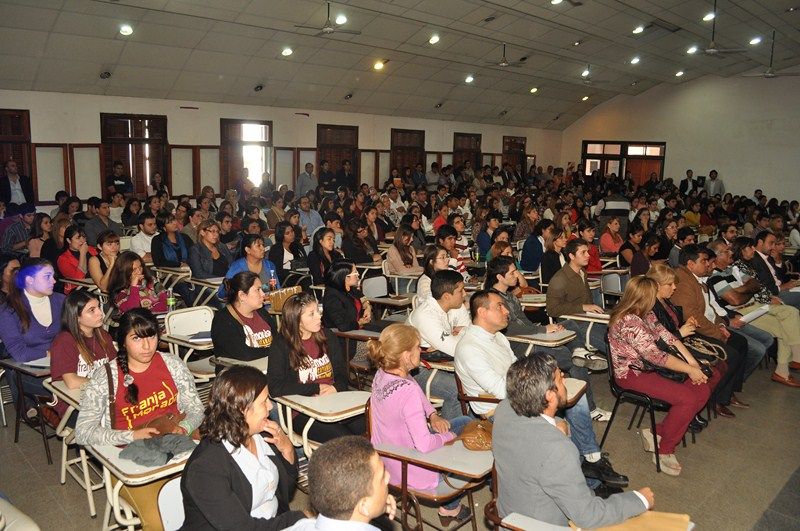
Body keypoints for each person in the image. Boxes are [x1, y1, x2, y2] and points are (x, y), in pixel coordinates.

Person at [73, 308, 202, 530]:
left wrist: (184, 426)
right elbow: (83, 432)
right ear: (122, 342)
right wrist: (131, 435)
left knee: (215, 500)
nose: (147, 346)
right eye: (136, 338)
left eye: (151, 336)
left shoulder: (171, 364)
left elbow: (195, 407)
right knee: (161, 520)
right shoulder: (106, 377)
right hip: (131, 463)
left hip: (179, 452)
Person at [493, 354, 653, 528]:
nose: (564, 379)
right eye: (560, 379)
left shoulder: (504, 409)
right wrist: (639, 499)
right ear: (549, 396)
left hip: (508, 516)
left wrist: (557, 422)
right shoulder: (558, 449)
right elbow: (588, 517)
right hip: (542, 525)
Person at [608, 276, 720, 475]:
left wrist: (693, 363)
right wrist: (690, 370)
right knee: (687, 399)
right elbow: (656, 356)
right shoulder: (629, 321)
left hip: (650, 369)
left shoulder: (645, 312)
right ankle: (665, 449)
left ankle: (657, 432)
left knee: (701, 388)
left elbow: (668, 337)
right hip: (632, 374)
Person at [367, 324, 473, 525]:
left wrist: (433, 415)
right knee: (468, 440)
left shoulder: (383, 374)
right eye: (418, 347)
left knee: (466, 422)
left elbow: (414, 387)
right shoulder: (406, 391)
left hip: (386, 461)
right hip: (413, 468)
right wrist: (450, 437)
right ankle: (450, 508)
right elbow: (424, 445)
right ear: (406, 356)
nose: (421, 350)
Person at [180, 365, 305, 530]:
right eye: (264, 402)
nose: (270, 406)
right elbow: (241, 528)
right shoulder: (206, 467)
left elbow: (283, 493)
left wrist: (287, 450)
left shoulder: (262, 435)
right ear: (241, 409)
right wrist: (299, 519)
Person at [645, 263, 742, 428]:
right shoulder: (651, 307)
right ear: (657, 285)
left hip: (678, 344)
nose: (674, 288)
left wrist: (686, 324)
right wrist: (680, 333)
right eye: (670, 284)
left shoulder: (665, 301)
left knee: (721, 363)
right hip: (668, 350)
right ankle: (691, 407)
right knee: (712, 368)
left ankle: (697, 405)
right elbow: (658, 342)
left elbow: (671, 328)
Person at [670, 244, 756, 417]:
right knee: (731, 355)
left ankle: (728, 393)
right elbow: (692, 317)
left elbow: (710, 309)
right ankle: (715, 398)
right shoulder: (683, 281)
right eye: (704, 261)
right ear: (690, 264)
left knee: (741, 343)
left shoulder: (696, 278)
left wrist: (721, 325)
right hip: (693, 331)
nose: (708, 264)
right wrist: (717, 332)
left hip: (708, 326)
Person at [268, 292, 365, 441]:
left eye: (318, 311)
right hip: (300, 410)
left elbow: (341, 371)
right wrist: (316, 388)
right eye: (311, 314)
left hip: (333, 400)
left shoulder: (327, 336)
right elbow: (275, 387)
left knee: (368, 426)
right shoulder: (281, 345)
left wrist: (336, 387)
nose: (319, 316)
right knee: (345, 440)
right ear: (297, 320)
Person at [287, 436, 396, 531]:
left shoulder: (301, 526)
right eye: (382, 477)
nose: (388, 476)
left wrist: (377, 503)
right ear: (364, 505)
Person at [0, 259, 65, 413]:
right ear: (29, 280)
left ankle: (58, 415)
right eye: (47, 276)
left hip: (64, 366)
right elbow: (19, 353)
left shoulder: (61, 301)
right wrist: (49, 353)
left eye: (53, 276)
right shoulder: (9, 310)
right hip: (29, 371)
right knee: (71, 390)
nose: (54, 281)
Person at [406, 270, 469, 419]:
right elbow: (456, 349)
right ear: (447, 296)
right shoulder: (425, 315)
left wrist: (460, 333)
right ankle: (451, 430)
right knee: (457, 390)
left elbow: (470, 334)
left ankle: (471, 425)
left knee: (475, 381)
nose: (465, 294)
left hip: (443, 362)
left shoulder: (457, 306)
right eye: (461, 290)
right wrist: (460, 334)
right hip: (416, 370)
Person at [49, 290, 117, 422]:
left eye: (98, 307)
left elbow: (115, 368)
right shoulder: (64, 341)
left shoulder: (103, 336)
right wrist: (107, 383)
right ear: (76, 317)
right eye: (92, 310)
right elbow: (72, 382)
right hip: (73, 405)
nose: (100, 313)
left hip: (102, 397)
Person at [546, 239, 608, 352]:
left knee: (621, 336)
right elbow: (552, 309)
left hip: (591, 319)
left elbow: (588, 301)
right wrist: (583, 307)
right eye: (583, 252)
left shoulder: (582, 272)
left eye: (587, 252)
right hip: (574, 323)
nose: (588, 255)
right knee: (613, 347)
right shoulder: (559, 279)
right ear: (571, 256)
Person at [211, 271, 277, 363]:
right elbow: (245, 354)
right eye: (258, 290)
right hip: (238, 370)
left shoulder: (261, 312)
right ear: (242, 295)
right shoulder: (223, 320)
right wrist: (276, 351)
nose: (263, 294)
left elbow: (277, 340)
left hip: (267, 364)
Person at [321, 260, 378, 333]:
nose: (358, 274)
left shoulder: (350, 289)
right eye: (355, 272)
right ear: (346, 277)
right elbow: (344, 326)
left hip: (359, 329)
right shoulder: (332, 297)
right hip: (345, 335)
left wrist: (367, 307)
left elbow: (362, 297)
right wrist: (360, 322)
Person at [219, 233, 280, 299]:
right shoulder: (237, 267)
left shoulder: (269, 265)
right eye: (258, 246)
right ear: (248, 250)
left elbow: (277, 288)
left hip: (268, 302)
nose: (263, 249)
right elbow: (222, 293)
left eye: (263, 245)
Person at [57, 225, 97, 294]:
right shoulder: (63, 259)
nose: (82, 241)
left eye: (84, 237)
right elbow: (79, 279)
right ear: (69, 240)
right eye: (78, 238)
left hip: (96, 285)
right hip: (77, 291)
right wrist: (82, 254)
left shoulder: (91, 249)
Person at [268, 220, 308, 286]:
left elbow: (305, 260)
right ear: (281, 235)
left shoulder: (298, 245)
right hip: (287, 278)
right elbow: (276, 270)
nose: (291, 234)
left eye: (292, 231)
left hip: (302, 275)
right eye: (287, 233)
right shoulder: (276, 249)